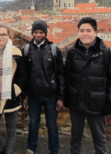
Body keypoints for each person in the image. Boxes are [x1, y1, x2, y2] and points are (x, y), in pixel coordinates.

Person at [64, 17, 111, 154]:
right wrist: (64, 96)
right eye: (82, 31)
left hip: (97, 102)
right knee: (75, 137)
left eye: (88, 30)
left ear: (95, 32)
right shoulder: (72, 52)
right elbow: (66, 76)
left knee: (99, 139)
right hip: (76, 101)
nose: (85, 34)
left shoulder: (107, 53)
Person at [21, 20, 65, 154]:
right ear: (32, 33)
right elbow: (23, 75)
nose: (38, 35)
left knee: (52, 126)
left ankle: (54, 151)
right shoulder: (26, 50)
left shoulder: (53, 49)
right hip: (33, 95)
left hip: (50, 95)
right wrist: (24, 96)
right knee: (33, 125)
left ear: (46, 33)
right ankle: (31, 149)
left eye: (41, 32)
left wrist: (61, 97)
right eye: (36, 32)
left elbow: (60, 75)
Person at [0, 24, 27, 154]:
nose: (1, 37)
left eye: (4, 34)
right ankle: (3, 149)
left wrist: (16, 90)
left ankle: (8, 152)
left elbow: (23, 75)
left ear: (8, 35)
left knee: (11, 129)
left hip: (11, 96)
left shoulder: (16, 52)